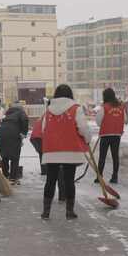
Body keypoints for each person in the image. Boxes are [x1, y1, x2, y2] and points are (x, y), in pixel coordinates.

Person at [41, 84, 91, 220]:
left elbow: (43, 129)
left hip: (51, 151)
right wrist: (87, 139)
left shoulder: (48, 110)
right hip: (70, 151)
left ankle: (46, 212)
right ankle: (69, 212)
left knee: (50, 180)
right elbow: (83, 128)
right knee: (69, 180)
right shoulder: (76, 109)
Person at [30, 115, 66, 202]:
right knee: (58, 169)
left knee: (43, 156)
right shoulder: (55, 117)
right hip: (45, 140)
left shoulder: (46, 116)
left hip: (36, 138)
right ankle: (62, 196)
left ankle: (45, 170)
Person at [95, 88, 125, 184]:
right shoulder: (121, 106)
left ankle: (99, 177)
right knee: (115, 156)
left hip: (105, 134)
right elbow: (125, 118)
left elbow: (98, 120)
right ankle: (115, 176)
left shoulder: (105, 107)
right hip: (116, 135)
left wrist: (104, 125)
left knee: (102, 156)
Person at [0, 101, 29, 184]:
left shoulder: (7, 114)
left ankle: (5, 176)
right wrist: (23, 133)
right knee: (15, 157)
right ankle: (13, 178)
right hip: (13, 134)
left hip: (1, 134)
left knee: (5, 156)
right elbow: (25, 120)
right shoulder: (21, 112)